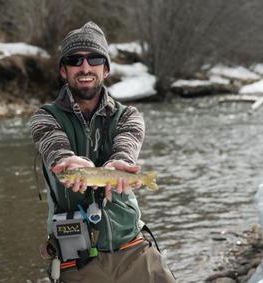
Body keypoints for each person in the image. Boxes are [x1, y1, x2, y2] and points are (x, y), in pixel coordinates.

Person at [30, 21, 175, 283]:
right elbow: (52, 144)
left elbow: (127, 145)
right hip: (77, 257)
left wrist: (120, 162)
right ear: (64, 71)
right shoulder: (44, 118)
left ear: (105, 69)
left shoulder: (129, 116)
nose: (85, 67)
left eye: (94, 59)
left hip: (131, 247)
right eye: (75, 60)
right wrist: (65, 161)